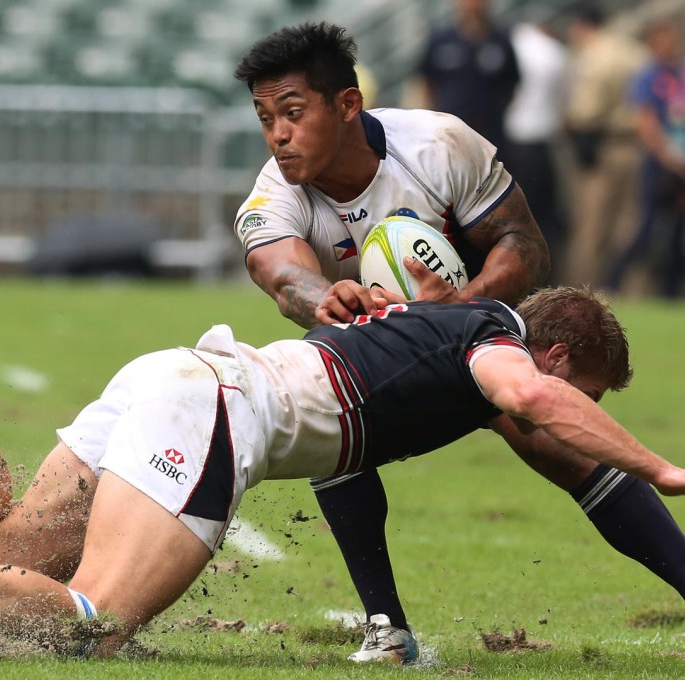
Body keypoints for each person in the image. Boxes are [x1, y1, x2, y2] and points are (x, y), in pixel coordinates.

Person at [0, 287, 685, 659]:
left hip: (175, 374)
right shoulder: (496, 342)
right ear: (558, 353)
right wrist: (668, 469)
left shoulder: (430, 345)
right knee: (95, 619)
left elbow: (353, 468)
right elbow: (537, 401)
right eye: (594, 395)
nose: (586, 421)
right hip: (216, 407)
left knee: (4, 556)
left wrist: (387, 617)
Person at [231, 21, 685, 664]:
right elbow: (280, 274)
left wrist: (463, 304)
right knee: (337, 436)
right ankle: (387, 629)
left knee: (567, 447)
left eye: (293, 113)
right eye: (265, 117)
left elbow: (525, 244)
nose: (277, 134)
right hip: (369, 355)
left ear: (347, 105)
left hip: (478, 338)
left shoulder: (439, 143)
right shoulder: (274, 193)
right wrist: (322, 299)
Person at [562, 5, 648, 289]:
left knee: (592, 227)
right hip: (636, 146)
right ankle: (634, 291)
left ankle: (582, 294)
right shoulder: (636, 51)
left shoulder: (596, 54)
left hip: (603, 148)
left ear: (582, 25)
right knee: (631, 226)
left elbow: (586, 112)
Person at [606, 17, 685, 298]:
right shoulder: (648, 76)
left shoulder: (680, 73)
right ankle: (613, 282)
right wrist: (669, 158)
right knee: (647, 226)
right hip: (661, 163)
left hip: (681, 161)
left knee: (678, 232)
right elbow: (646, 122)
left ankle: (672, 291)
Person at [503, 18, 571, 283]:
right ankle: (548, 277)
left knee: (512, 216)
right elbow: (564, 104)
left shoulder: (506, 43)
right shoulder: (554, 51)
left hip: (511, 141)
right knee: (545, 218)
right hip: (540, 144)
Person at [415, 0, 520, 159]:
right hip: (450, 134)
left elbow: (511, 84)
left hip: (491, 133)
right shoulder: (440, 40)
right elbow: (425, 83)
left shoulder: (500, 40)